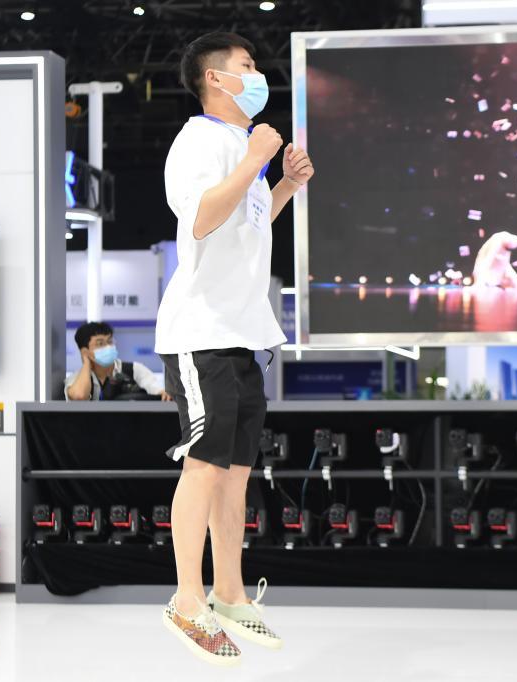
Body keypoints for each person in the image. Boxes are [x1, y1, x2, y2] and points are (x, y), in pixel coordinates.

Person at [155, 31, 313, 667]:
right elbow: (199, 219)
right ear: (216, 79)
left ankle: (228, 592)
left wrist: (283, 186)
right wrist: (256, 159)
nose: (257, 75)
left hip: (243, 333)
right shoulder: (198, 140)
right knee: (203, 465)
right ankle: (186, 599)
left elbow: (242, 227)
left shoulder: (238, 145)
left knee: (236, 470)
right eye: (246, 66)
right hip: (202, 333)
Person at [65, 321, 171, 401]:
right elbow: (79, 396)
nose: (108, 347)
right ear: (85, 351)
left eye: (110, 341)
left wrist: (162, 392)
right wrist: (86, 363)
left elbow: (156, 389)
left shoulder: (134, 369)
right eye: (100, 343)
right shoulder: (77, 378)